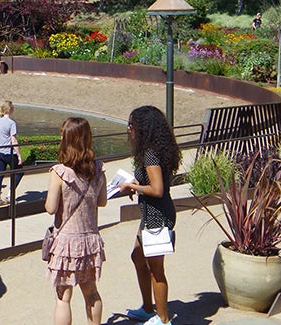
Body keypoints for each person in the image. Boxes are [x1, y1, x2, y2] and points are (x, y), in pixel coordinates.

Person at [122, 105, 180, 325]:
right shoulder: (151, 151)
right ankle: (147, 308)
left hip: (158, 216)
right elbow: (152, 184)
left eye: (131, 125)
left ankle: (163, 319)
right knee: (137, 257)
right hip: (151, 215)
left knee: (156, 269)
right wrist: (136, 184)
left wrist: (134, 188)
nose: (129, 129)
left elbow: (157, 189)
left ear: (142, 128)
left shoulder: (150, 154)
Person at [46, 117, 107, 325]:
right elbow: (102, 201)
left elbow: (51, 207)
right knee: (91, 293)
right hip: (90, 240)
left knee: (63, 297)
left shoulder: (59, 172)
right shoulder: (98, 169)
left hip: (66, 242)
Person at [0, 101, 23, 206]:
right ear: (10, 110)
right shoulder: (11, 123)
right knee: (19, 172)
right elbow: (14, 140)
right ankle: (10, 194)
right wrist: (19, 155)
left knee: (0, 174)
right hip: (8, 153)